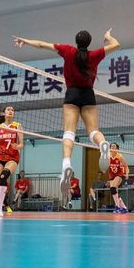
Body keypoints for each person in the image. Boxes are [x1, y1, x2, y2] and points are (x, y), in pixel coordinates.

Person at [14, 29, 120, 205]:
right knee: (93, 130)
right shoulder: (95, 55)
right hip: (88, 95)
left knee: (69, 132)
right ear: (88, 42)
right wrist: (108, 37)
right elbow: (116, 45)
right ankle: (102, 144)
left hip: (71, 94)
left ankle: (66, 163)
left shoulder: (68, 50)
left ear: (76, 41)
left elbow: (42, 45)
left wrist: (25, 40)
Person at [106, 143, 129, 214]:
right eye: (111, 146)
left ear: (117, 149)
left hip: (119, 175)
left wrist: (127, 174)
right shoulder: (108, 156)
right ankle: (124, 208)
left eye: (114, 146)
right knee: (114, 192)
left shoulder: (119, 156)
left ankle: (117, 207)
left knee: (113, 188)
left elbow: (126, 166)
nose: (112, 147)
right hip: (111, 176)